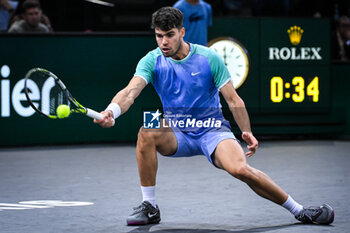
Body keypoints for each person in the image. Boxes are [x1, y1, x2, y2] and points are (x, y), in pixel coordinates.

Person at [95, 7, 335, 226]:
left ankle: (299, 210)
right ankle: (150, 206)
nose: (164, 42)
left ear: (182, 32)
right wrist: (111, 111)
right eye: (159, 36)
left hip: (212, 129)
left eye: (169, 34)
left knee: (241, 169)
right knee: (147, 130)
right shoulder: (152, 60)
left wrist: (246, 131)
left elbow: (233, 99)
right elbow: (130, 91)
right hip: (176, 130)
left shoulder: (208, 57)